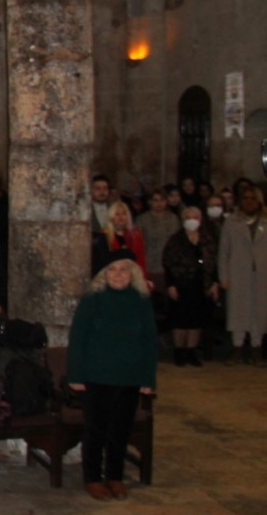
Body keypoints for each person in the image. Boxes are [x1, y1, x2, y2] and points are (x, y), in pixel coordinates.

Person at [68, 249, 158, 500]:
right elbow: (78, 339)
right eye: (112, 270)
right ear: (103, 274)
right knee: (96, 429)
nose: (118, 275)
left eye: (123, 270)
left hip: (129, 375)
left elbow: (150, 341)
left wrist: (148, 379)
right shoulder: (93, 299)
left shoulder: (140, 301)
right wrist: (75, 375)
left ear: (133, 274)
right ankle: (93, 477)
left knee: (120, 430)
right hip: (95, 375)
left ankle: (115, 476)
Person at [218, 183, 267, 365]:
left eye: (252, 198)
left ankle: (256, 348)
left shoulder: (266, 221)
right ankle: (237, 347)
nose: (249, 202)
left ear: (259, 201)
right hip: (238, 272)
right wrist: (223, 275)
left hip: (262, 274)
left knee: (259, 311)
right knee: (238, 310)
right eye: (245, 198)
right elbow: (224, 250)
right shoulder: (232, 221)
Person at [164, 206, 218, 367]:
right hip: (181, 284)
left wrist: (214, 282)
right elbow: (167, 263)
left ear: (201, 220)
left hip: (201, 284)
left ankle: (191, 351)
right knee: (180, 320)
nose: (192, 220)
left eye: (195, 217)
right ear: (183, 220)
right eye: (189, 217)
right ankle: (179, 351)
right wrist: (171, 285)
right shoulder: (175, 240)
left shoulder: (208, 239)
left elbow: (215, 264)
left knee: (196, 320)